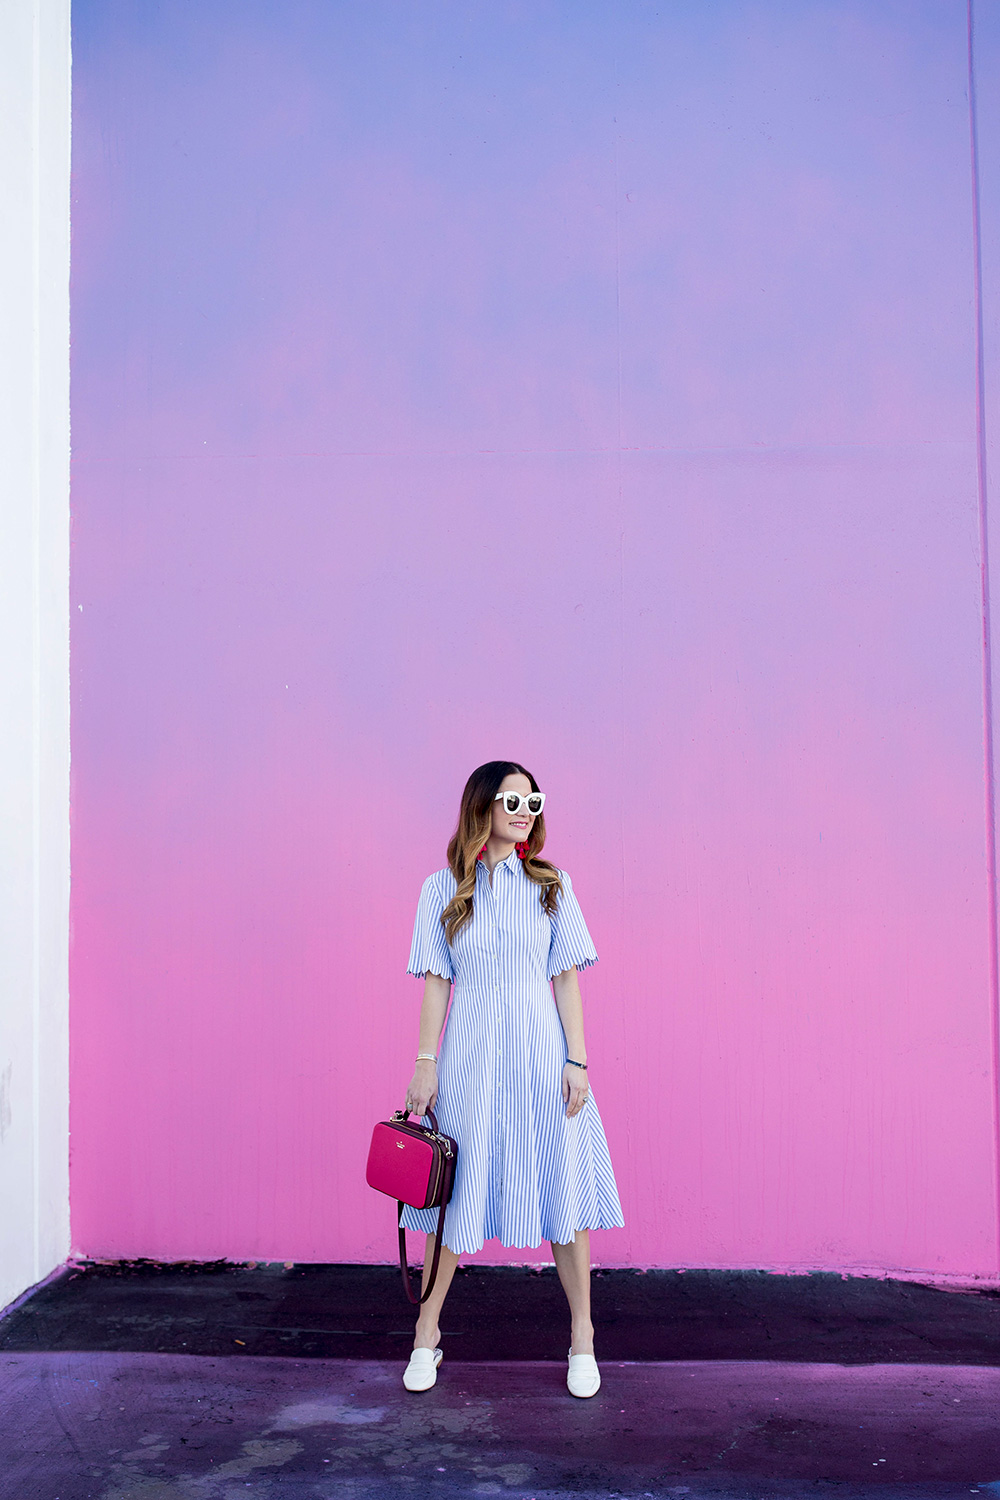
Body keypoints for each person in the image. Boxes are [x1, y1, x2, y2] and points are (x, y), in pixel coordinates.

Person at [401, 760, 624, 1397]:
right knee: (449, 1203)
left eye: (533, 801)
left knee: (565, 1195)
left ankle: (583, 1337)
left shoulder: (552, 885)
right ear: (482, 807)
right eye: (511, 800)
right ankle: (426, 1336)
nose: (524, 810)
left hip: (540, 1062)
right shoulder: (439, 890)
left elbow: (566, 976)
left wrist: (577, 1061)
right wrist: (425, 1064)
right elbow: (437, 984)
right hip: (469, 1064)